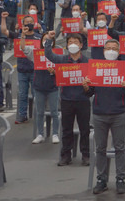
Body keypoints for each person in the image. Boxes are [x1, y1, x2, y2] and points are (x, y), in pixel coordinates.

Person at [86, 39, 125, 195]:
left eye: (114, 48)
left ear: (119, 52)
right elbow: (89, 92)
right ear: (103, 51)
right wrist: (86, 86)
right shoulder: (96, 68)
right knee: (100, 149)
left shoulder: (124, 68)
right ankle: (101, 180)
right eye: (108, 48)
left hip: (118, 113)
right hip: (99, 114)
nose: (111, 51)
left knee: (120, 148)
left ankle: (120, 179)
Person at [45, 32, 91, 167]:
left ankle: (86, 155)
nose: (73, 45)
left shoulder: (88, 62)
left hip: (83, 100)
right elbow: (49, 55)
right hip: (66, 99)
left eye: (76, 42)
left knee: (85, 129)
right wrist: (49, 40)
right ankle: (66, 155)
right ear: (66, 45)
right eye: (70, 42)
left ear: (81, 45)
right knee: (66, 129)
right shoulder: (62, 60)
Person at [20, 32, 60, 145]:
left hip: (53, 86)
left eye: (49, 39)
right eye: (44, 39)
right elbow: (23, 48)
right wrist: (23, 36)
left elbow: (62, 70)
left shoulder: (57, 54)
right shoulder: (36, 53)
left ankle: (55, 133)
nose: (46, 41)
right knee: (40, 112)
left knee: (54, 111)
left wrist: (55, 72)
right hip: (39, 86)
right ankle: (40, 134)